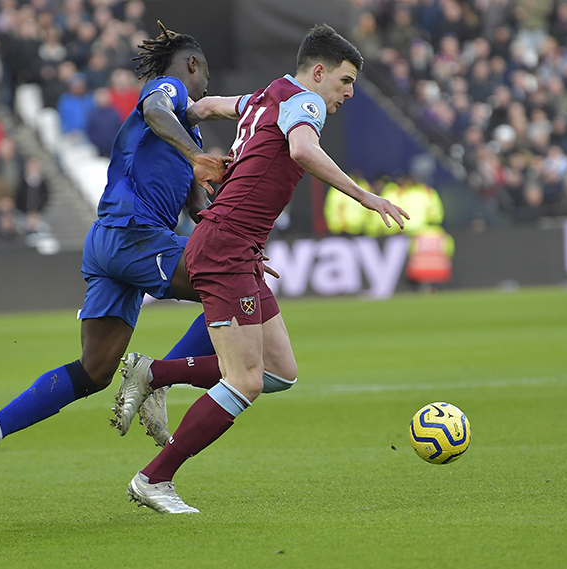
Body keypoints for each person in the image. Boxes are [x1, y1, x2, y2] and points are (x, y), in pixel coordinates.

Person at [121, 24, 408, 514]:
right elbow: (300, 149)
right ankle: (153, 478)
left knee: (279, 373)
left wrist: (170, 113)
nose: (349, 93)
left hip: (239, 246)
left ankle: (155, 372)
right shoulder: (307, 103)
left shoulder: (267, 95)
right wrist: (363, 194)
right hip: (227, 244)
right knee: (246, 380)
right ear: (318, 72)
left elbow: (208, 107)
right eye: (344, 80)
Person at [0, 22, 229, 499]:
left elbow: (194, 207)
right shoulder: (168, 90)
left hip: (108, 243)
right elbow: (158, 109)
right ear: (191, 66)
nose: (206, 89)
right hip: (134, 234)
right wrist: (193, 153)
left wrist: (222, 214)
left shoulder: (192, 133)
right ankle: (157, 378)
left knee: (96, 371)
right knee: (229, 283)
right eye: (205, 77)